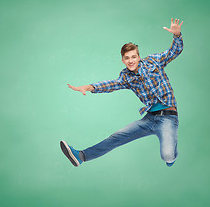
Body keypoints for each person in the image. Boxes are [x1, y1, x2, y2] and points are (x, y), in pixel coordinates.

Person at [60, 18, 184, 167]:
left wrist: (177, 35)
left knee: (167, 156)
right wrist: (88, 87)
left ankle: (171, 157)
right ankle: (81, 156)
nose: (131, 61)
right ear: (123, 60)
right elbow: (111, 85)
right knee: (116, 137)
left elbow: (174, 52)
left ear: (138, 57)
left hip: (168, 118)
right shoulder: (126, 76)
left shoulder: (153, 61)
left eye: (133, 57)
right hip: (149, 119)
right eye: (127, 58)